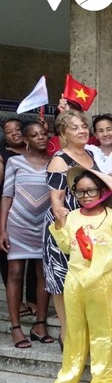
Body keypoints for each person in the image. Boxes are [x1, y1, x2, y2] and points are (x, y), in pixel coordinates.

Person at [41, 166, 112, 383]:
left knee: (103, 330)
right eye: (80, 192)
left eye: (90, 191)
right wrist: (61, 225)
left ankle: (103, 380)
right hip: (75, 279)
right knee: (73, 331)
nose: (85, 196)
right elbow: (65, 247)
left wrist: (104, 254)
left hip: (102, 280)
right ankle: (66, 379)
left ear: (102, 191)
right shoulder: (72, 216)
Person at [43, 110, 99, 342]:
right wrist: (65, 234)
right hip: (65, 226)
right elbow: (56, 202)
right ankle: (66, 334)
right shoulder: (60, 159)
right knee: (63, 281)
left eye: (83, 126)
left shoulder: (91, 154)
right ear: (63, 134)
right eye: (74, 127)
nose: (82, 130)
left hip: (90, 225)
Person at [0, 121, 51, 347]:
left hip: (45, 226)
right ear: (26, 139)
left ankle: (40, 324)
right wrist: (2, 228)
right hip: (18, 224)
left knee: (44, 274)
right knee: (16, 273)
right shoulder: (15, 162)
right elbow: (7, 195)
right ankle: (16, 327)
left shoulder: (55, 163)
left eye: (43, 133)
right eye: (34, 135)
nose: (40, 137)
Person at [0, 118, 38, 319]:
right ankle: (18, 303)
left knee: (36, 263)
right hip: (10, 213)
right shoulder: (5, 157)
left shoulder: (38, 154)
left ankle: (33, 300)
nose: (14, 133)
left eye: (17, 129)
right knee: (11, 264)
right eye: (9, 131)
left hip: (35, 220)